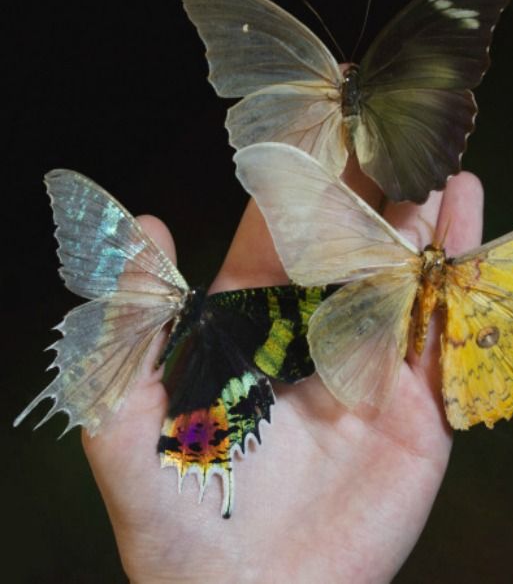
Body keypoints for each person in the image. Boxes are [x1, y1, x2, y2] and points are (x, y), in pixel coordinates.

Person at [82, 160, 484, 582]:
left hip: (231, 382)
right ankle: (201, 443)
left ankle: (202, 442)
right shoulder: (235, 312)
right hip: (234, 383)